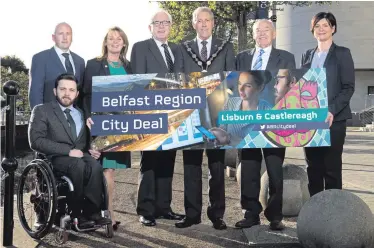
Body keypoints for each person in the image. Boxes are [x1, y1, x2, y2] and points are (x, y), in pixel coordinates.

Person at [175, 7, 235, 230]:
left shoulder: (226, 47)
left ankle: (217, 214)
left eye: (207, 20)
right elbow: (178, 78)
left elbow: (231, 80)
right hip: (191, 115)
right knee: (191, 167)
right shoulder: (183, 48)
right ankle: (192, 214)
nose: (203, 24)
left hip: (218, 116)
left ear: (213, 23)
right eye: (198, 21)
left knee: (217, 168)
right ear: (193, 24)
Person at [235, 19, 296, 231]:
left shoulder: (286, 58)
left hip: (275, 122)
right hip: (247, 123)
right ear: (253, 35)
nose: (261, 34)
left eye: (266, 30)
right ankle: (250, 213)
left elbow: (291, 90)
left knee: (275, 170)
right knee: (248, 170)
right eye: (257, 31)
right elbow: (234, 89)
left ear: (274, 33)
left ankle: (275, 215)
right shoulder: (241, 58)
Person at [28, 73, 111, 228]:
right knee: (78, 165)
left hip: (80, 155)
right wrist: (68, 151)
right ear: (55, 91)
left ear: (77, 93)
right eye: (63, 89)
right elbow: (36, 141)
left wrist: (92, 149)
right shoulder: (42, 110)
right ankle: (76, 213)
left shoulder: (81, 113)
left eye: (71, 90)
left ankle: (92, 212)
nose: (67, 93)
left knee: (95, 166)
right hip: (55, 157)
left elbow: (84, 141)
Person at [130, 9, 184, 227]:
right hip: (150, 115)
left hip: (173, 116)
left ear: (171, 26)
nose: (162, 26)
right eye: (157, 22)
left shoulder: (176, 49)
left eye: (166, 22)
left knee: (167, 162)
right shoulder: (141, 47)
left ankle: (164, 207)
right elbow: (137, 81)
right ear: (150, 27)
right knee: (149, 163)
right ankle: (146, 209)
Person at [300, 12, 355, 196]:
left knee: (331, 169)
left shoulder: (342, 53)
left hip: (334, 120)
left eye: (325, 25)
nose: (321, 29)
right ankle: (314, 211)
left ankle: (332, 214)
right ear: (312, 30)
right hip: (311, 120)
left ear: (333, 28)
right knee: (313, 168)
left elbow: (348, 87)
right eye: (317, 26)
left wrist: (331, 110)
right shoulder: (307, 55)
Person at [83, 26, 132, 231]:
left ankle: (106, 213)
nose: (114, 41)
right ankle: (107, 215)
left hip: (122, 126)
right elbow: (85, 94)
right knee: (106, 170)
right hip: (101, 124)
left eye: (118, 38)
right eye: (111, 38)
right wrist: (87, 116)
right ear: (105, 42)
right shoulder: (93, 65)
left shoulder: (130, 66)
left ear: (124, 43)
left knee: (111, 171)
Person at [29, 22, 85, 110]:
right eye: (60, 34)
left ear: (72, 37)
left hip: (74, 119)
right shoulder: (40, 58)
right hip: (49, 119)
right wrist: (39, 119)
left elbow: (81, 93)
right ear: (53, 37)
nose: (65, 37)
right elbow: (35, 93)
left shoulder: (80, 61)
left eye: (68, 34)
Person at [219, 71, 273, 145]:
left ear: (260, 88)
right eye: (239, 83)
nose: (240, 89)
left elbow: (265, 142)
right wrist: (215, 133)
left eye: (247, 85)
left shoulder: (268, 111)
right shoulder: (230, 103)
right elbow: (222, 130)